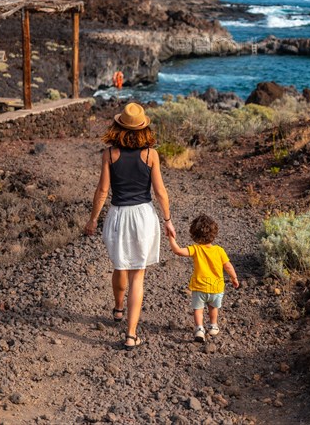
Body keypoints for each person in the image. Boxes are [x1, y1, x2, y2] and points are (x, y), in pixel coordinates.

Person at [84, 102, 176, 350]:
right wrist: (168, 221)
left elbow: (102, 191)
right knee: (138, 275)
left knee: (120, 265)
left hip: (118, 216)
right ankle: (131, 334)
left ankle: (117, 308)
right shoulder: (151, 155)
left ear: (119, 127)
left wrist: (93, 219)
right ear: (143, 128)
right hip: (144, 217)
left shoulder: (109, 154)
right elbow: (160, 192)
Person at [169, 214, 239, 342]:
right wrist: (234, 278)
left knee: (198, 310)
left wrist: (171, 238)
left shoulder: (195, 249)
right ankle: (213, 326)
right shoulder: (219, 250)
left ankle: (199, 329)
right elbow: (228, 266)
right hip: (216, 287)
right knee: (213, 308)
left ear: (194, 235)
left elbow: (178, 251)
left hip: (199, 287)